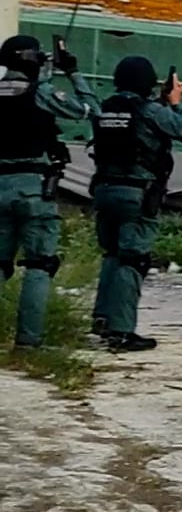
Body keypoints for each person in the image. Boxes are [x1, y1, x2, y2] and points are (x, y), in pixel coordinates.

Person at [89, 57, 182, 351]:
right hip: (137, 193)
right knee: (133, 258)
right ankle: (122, 331)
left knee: (112, 255)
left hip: (104, 189)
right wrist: (174, 103)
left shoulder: (105, 107)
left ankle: (103, 318)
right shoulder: (152, 111)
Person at [0, 36, 97, 353]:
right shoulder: (41, 92)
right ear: (32, 59)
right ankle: (28, 342)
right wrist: (72, 72)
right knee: (39, 265)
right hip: (32, 188)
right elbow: (89, 110)